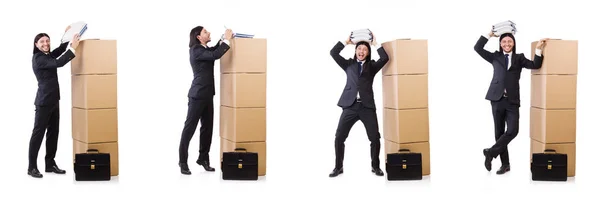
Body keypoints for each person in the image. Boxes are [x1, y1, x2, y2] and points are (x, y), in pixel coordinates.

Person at [474, 30, 548, 174]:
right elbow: (478, 48)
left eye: (509, 42)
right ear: (500, 44)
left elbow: (535, 65)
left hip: (512, 100)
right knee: (499, 132)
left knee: (513, 131)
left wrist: (539, 48)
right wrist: (489, 35)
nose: (507, 44)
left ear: (514, 43)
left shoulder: (519, 58)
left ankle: (490, 153)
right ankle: (505, 164)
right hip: (496, 99)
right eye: (504, 42)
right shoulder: (495, 56)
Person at [328, 32, 389, 177]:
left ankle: (375, 166)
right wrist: (346, 42)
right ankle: (338, 167)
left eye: (365, 50)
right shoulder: (348, 64)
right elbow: (333, 52)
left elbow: (385, 58)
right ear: (356, 51)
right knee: (339, 137)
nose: (361, 51)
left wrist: (375, 44)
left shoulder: (372, 66)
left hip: (367, 107)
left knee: (374, 138)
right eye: (359, 49)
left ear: (368, 53)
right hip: (350, 105)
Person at [178, 26, 233, 175]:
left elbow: (213, 50)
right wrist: (226, 40)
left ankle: (203, 159)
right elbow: (215, 55)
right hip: (197, 96)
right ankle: (183, 162)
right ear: (198, 36)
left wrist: (222, 39)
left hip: (208, 95)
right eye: (205, 32)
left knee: (207, 129)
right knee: (189, 129)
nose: (208, 33)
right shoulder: (196, 50)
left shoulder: (204, 48)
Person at [28, 30, 80, 178]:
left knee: (53, 133)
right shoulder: (38, 58)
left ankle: (50, 164)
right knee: (38, 135)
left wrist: (67, 38)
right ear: (36, 45)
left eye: (47, 41)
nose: (46, 44)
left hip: (54, 101)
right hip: (43, 103)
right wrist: (72, 48)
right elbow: (58, 62)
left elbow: (57, 51)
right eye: (42, 42)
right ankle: (31, 167)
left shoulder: (47, 55)